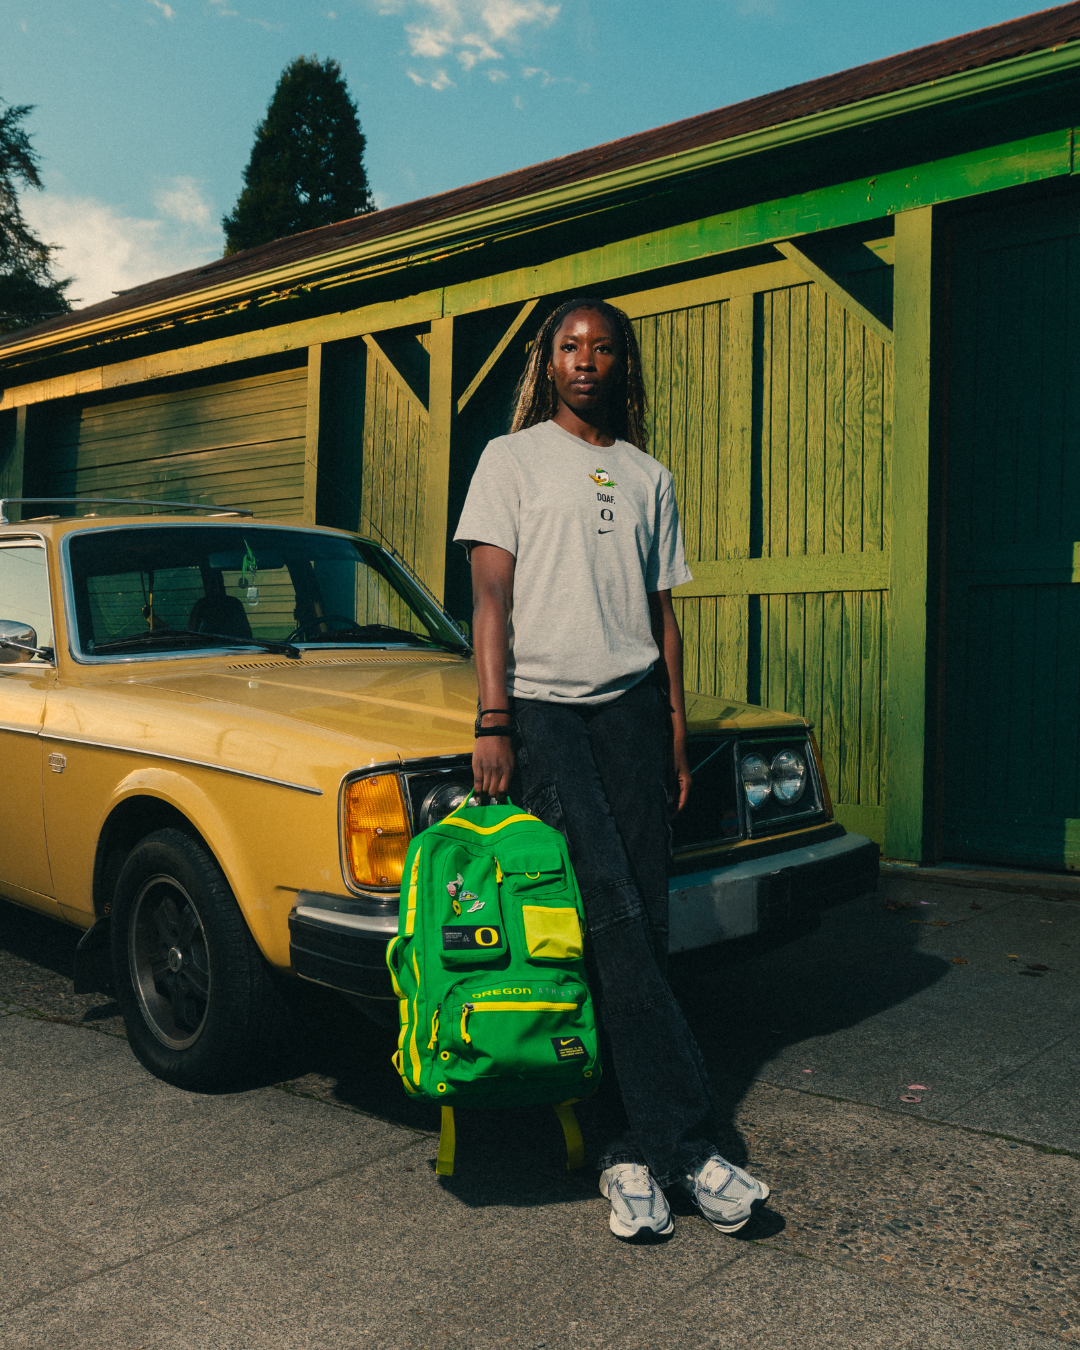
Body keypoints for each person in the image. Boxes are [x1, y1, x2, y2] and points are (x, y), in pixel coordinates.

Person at [453, 296, 769, 1241]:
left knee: (643, 925)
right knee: (611, 913)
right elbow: (490, 597)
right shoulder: (509, 460)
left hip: (633, 713)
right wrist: (494, 719)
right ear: (546, 363)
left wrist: (674, 729)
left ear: (622, 364)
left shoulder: (648, 476)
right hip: (546, 714)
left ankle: (626, 1150)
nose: (585, 360)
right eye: (569, 346)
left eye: (602, 348)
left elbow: (663, 618)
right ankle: (691, 1145)